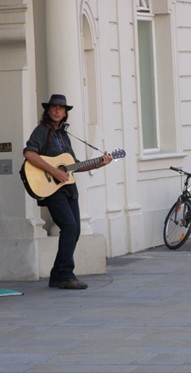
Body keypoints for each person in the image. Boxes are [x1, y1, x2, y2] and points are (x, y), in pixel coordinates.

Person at [23, 94, 112, 289]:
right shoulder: (41, 131)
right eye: (53, 107)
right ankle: (64, 274)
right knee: (69, 227)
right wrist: (53, 170)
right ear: (48, 111)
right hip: (52, 188)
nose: (56, 111)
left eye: (60, 108)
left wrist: (99, 164)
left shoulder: (63, 136)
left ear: (65, 114)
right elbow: (29, 153)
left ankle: (58, 274)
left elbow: (73, 166)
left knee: (76, 229)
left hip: (68, 189)